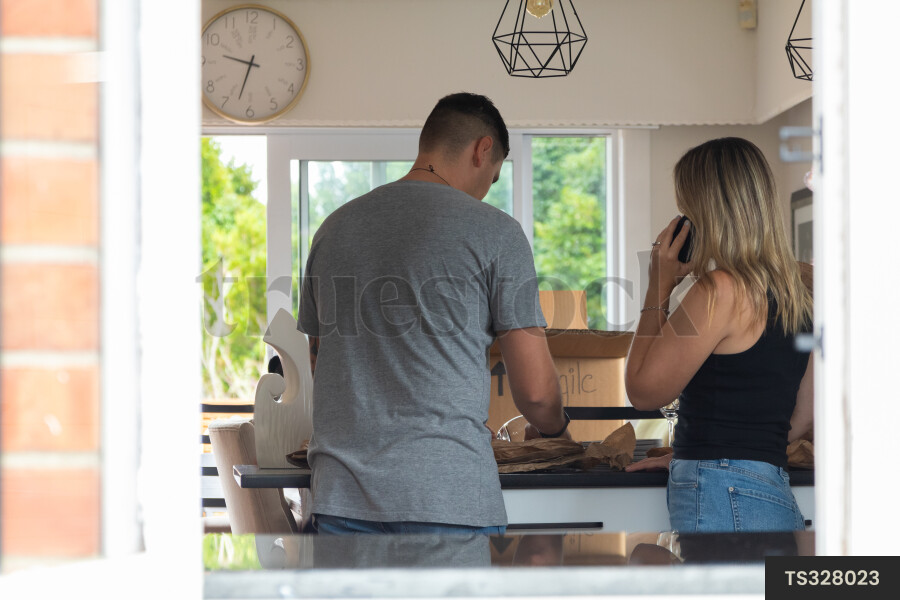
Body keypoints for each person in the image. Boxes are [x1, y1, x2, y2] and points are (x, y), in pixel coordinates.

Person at [297, 92, 569, 535]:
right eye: (493, 177)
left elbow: (318, 357)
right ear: (483, 150)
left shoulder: (334, 228)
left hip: (339, 499)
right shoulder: (496, 232)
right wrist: (556, 428)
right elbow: (536, 394)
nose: (486, 190)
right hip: (448, 501)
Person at [624, 137, 814, 533]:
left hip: (721, 489)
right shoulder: (800, 290)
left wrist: (657, 288)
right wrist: (697, 450)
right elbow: (799, 417)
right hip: (768, 486)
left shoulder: (719, 288)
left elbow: (643, 391)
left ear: (703, 213)